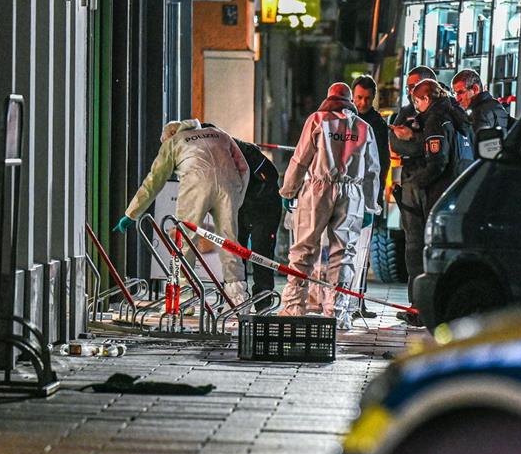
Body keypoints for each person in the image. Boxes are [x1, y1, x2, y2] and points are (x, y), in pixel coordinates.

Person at [113, 118, 250, 305]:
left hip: (196, 185)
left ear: (169, 134)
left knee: (185, 239)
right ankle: (237, 296)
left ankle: (186, 298)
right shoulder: (219, 134)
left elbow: (153, 181)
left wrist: (131, 213)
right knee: (229, 241)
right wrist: (237, 198)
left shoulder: (174, 142)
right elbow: (243, 167)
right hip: (229, 185)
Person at [278, 82, 381, 328]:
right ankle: (337, 312)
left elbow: (301, 157)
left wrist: (288, 190)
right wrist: (369, 206)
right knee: (343, 254)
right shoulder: (363, 127)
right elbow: (372, 170)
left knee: (304, 249)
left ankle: (294, 308)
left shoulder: (318, 120)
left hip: (318, 190)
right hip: (352, 194)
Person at [392, 78, 459, 327]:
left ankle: (422, 309)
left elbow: (437, 159)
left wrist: (417, 183)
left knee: (420, 248)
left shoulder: (434, 118)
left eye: (416, 99)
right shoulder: (453, 112)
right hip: (448, 194)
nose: (415, 104)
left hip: (433, 194)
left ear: (425, 99)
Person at [228, 131, 282, 312]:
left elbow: (271, 175)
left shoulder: (245, 152)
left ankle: (263, 302)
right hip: (241, 205)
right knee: (235, 252)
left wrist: (251, 199)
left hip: (264, 206)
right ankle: (237, 299)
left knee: (262, 252)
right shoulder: (214, 152)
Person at [349, 75, 387, 319]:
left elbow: (381, 164)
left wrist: (376, 197)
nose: (362, 102)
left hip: (365, 193)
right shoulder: (343, 119)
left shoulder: (377, 124)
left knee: (362, 251)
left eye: (367, 98)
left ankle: (358, 301)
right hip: (343, 192)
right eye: (359, 97)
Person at [452, 68, 512, 142]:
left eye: (460, 92)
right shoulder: (494, 105)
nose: (457, 99)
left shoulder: (480, 112)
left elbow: (477, 146)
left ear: (475, 89)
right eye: (455, 93)